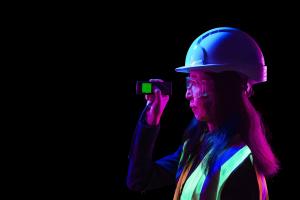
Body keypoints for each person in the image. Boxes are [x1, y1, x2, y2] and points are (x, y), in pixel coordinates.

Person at [127, 27, 279, 200]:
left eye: (195, 82)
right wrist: (151, 118)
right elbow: (138, 180)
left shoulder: (241, 165)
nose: (187, 94)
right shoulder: (197, 146)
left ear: (224, 89)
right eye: (188, 83)